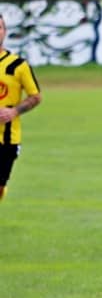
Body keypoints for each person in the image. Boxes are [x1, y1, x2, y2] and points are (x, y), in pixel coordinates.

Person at [0, 15, 43, 203]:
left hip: (7, 138)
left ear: (5, 32)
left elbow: (35, 97)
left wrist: (14, 111)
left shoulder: (18, 65)